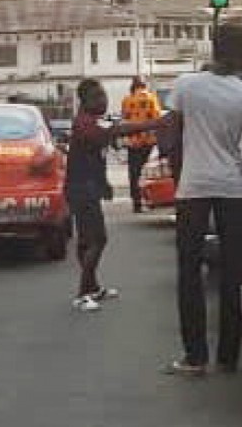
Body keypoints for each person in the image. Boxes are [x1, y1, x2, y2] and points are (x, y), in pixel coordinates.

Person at [161, 23, 242, 377]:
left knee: (189, 272)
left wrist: (179, 179)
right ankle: (228, 357)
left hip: (193, 188)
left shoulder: (186, 86)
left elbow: (170, 138)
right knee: (233, 273)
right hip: (232, 188)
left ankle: (195, 357)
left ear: (213, 48)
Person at [65, 79, 169, 313]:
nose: (103, 101)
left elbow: (99, 154)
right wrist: (156, 123)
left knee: (86, 240)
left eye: (103, 96)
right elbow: (117, 131)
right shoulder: (85, 124)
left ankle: (93, 287)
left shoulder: (92, 121)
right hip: (81, 189)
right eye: (97, 98)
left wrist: (105, 183)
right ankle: (82, 294)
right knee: (97, 239)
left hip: (86, 187)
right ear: (85, 101)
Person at [121, 76, 162, 214]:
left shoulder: (127, 100)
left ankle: (136, 203)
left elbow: (125, 119)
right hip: (149, 141)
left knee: (134, 173)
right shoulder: (152, 98)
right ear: (145, 85)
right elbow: (157, 118)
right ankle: (150, 200)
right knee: (149, 172)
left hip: (133, 142)